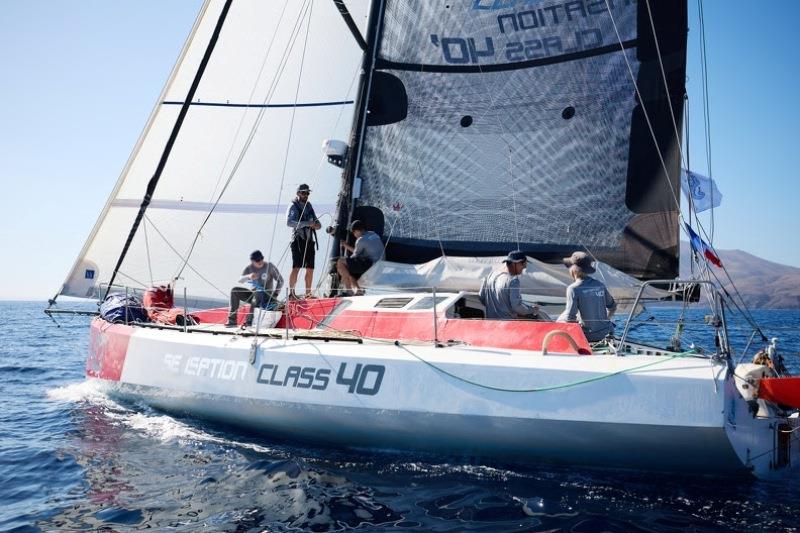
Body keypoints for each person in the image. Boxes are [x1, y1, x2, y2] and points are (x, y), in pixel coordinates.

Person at [556, 251, 617, 342]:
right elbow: (613, 307)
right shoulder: (599, 285)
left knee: (560, 319)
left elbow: (570, 317)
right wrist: (604, 321)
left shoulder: (573, 289)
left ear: (573, 269)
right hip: (607, 332)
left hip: (588, 336)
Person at [227, 250, 283, 327]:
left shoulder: (270, 266)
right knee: (235, 290)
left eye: (261, 259)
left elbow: (280, 281)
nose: (260, 261)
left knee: (257, 293)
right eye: (257, 260)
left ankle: (249, 321)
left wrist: (275, 294)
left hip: (267, 296)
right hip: (254, 295)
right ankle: (232, 321)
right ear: (252, 261)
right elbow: (240, 280)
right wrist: (249, 276)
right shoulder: (249, 268)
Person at [478, 250, 540, 320]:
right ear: (516, 263)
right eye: (523, 266)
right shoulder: (513, 281)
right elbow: (516, 307)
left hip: (490, 324)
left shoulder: (489, 276)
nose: (523, 269)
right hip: (507, 325)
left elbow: (481, 298)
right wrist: (532, 309)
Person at [286, 183, 321, 298]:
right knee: (296, 267)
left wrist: (316, 225)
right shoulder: (293, 206)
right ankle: (291, 294)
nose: (306, 195)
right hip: (298, 240)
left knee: (310, 268)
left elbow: (318, 224)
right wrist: (307, 223)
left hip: (309, 241)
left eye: (307, 193)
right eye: (303, 192)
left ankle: (308, 294)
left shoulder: (309, 206)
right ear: (298, 193)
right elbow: (289, 222)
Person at [336, 219, 384, 295]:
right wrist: (346, 246)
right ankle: (358, 291)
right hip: (381, 265)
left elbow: (354, 256)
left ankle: (349, 291)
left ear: (357, 231)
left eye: (353, 232)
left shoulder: (361, 240)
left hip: (371, 265)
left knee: (341, 263)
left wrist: (341, 264)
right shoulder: (373, 234)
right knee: (351, 268)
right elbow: (362, 251)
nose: (354, 235)